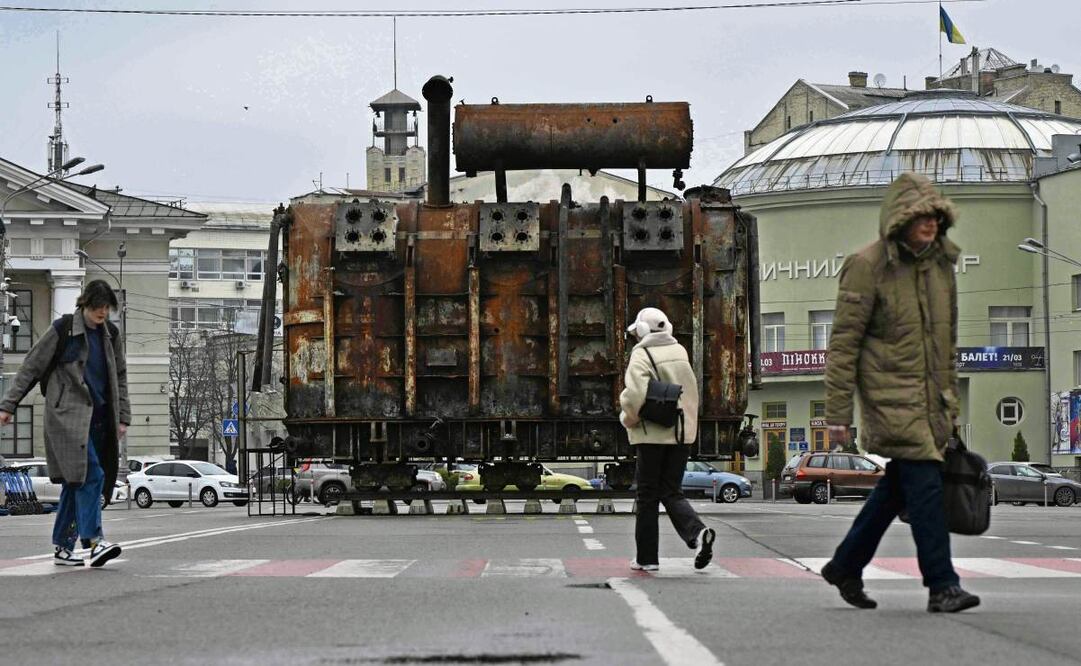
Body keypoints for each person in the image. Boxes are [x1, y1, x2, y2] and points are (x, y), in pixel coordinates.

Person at [821, 173, 979, 613]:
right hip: (890, 398)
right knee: (925, 488)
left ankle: (845, 565)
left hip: (931, 401)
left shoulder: (940, 266)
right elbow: (843, 345)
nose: (930, 224)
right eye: (920, 216)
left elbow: (946, 344)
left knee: (896, 488)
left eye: (936, 216)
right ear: (899, 220)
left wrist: (950, 405)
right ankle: (943, 585)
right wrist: (838, 414)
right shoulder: (867, 266)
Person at [0, 279, 129, 567]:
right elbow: (31, 367)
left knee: (75, 481)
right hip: (66, 417)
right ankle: (94, 542)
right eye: (98, 307)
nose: (102, 312)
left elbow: (120, 376)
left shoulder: (111, 334)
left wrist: (123, 416)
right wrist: (8, 405)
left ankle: (62, 546)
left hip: (99, 419)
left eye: (107, 307)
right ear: (85, 304)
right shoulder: (64, 329)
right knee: (92, 475)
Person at [619, 306, 714, 572]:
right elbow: (691, 394)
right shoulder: (680, 351)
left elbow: (635, 396)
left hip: (652, 434)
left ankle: (647, 559)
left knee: (647, 495)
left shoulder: (641, 354)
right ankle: (697, 532)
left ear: (642, 331)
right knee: (671, 491)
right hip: (682, 434)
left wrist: (627, 418)